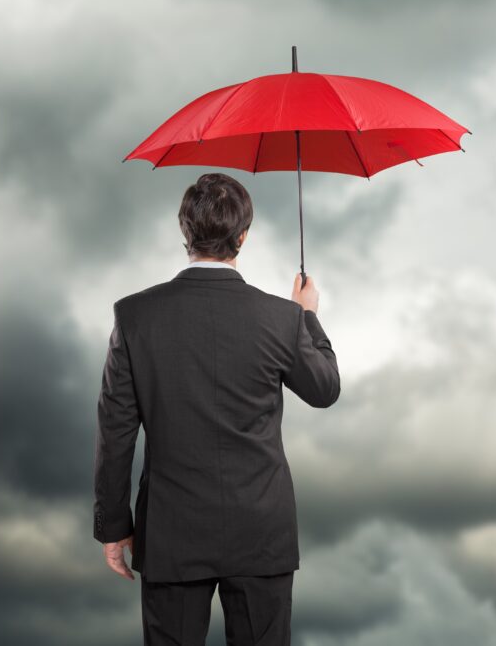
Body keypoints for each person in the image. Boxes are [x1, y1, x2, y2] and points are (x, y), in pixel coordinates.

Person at [93, 172, 340, 645]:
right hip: (261, 530)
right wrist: (307, 315)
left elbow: (115, 428)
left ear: (185, 232)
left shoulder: (134, 317)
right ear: (242, 236)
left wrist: (114, 524)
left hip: (170, 530)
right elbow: (325, 388)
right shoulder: (281, 319)